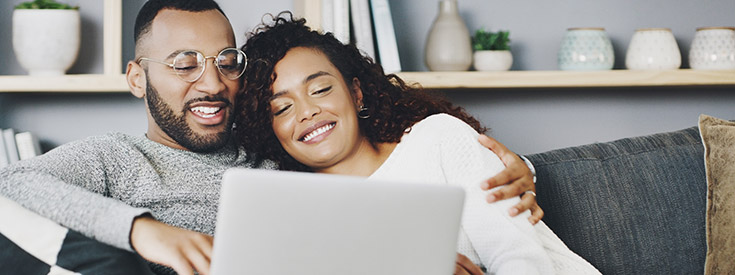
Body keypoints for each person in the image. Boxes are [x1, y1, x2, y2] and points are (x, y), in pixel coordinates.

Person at [0, 1, 538, 274]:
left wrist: (514, 169)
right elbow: (12, 184)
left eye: (225, 62)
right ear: (138, 78)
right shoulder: (112, 159)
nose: (212, 83)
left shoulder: (276, 147)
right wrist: (144, 231)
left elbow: (375, 175)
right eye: (184, 64)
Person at [236, 13, 600, 275]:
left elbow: (519, 256)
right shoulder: (296, 213)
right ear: (270, 129)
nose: (307, 112)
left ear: (356, 93)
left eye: (320, 89)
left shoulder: (438, 139)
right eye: (282, 107)